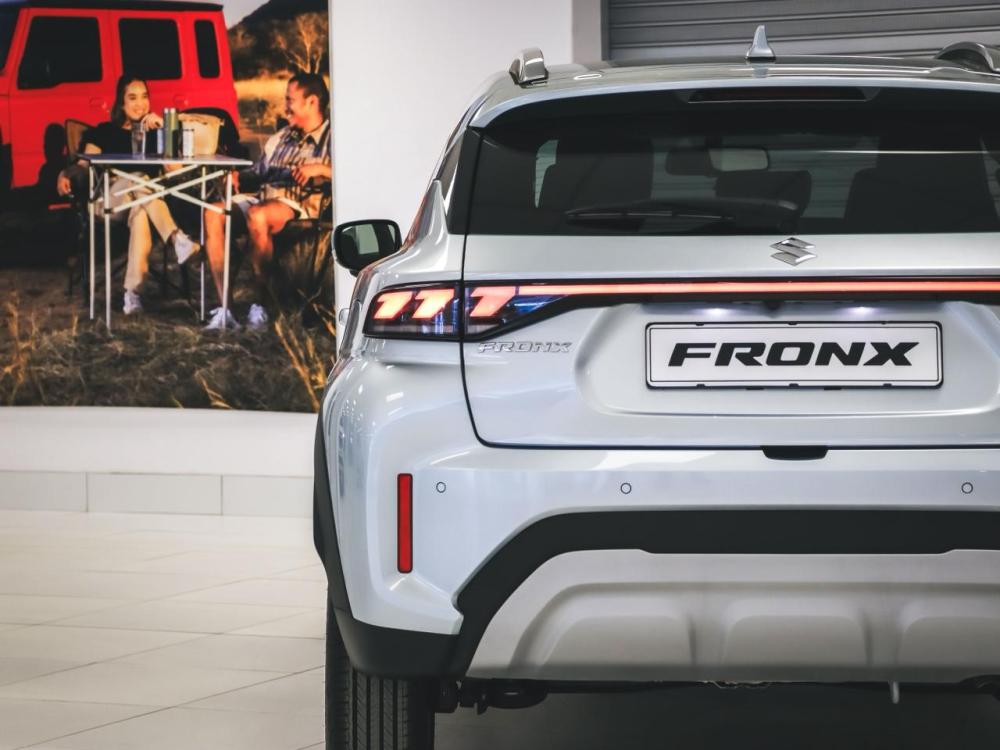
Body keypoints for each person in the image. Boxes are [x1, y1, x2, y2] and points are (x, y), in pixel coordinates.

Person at [57, 75, 199, 315]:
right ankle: (176, 239)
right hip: (107, 201)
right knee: (140, 179)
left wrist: (164, 130)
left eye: (144, 97)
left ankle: (132, 295)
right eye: (132, 98)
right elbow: (83, 165)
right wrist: (65, 173)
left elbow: (175, 171)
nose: (140, 104)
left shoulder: (155, 134)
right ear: (121, 104)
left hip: (142, 202)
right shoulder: (103, 132)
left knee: (140, 212)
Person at [202, 73, 331, 330]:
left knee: (258, 215)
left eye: (290, 100)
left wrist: (321, 169)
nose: (285, 107)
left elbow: (353, 174)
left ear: (312, 102)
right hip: (263, 198)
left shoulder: (332, 138)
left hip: (299, 204)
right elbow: (259, 172)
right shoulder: (282, 136)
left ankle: (260, 305)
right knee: (213, 213)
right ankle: (226, 310)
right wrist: (239, 176)